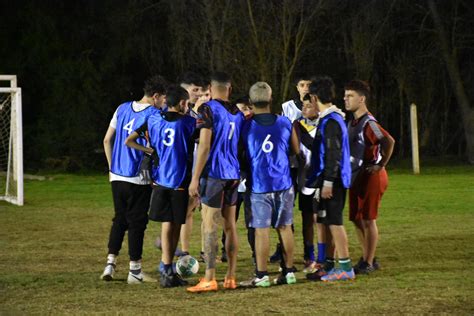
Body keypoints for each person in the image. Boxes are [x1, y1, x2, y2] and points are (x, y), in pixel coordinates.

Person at [125, 86, 196, 287]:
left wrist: (151, 151)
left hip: (159, 179)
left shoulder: (153, 119)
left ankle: (167, 267)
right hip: (180, 181)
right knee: (175, 224)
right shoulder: (189, 122)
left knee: (167, 223)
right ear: (182, 103)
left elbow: (129, 141)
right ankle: (167, 268)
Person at [100, 75, 167, 284]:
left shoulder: (122, 108)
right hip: (138, 176)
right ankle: (134, 271)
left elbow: (106, 139)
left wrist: (112, 166)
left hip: (116, 175)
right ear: (155, 97)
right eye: (163, 98)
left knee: (120, 218)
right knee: (137, 222)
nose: (164, 102)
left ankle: (110, 264)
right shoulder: (155, 114)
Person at [187, 72, 244, 292]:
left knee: (209, 224)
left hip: (214, 174)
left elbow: (204, 145)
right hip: (233, 174)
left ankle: (209, 278)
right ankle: (230, 277)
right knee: (230, 226)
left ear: (211, 88)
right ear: (229, 89)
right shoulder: (237, 113)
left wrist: (194, 178)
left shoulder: (207, 109)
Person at [240, 82, 299, 287]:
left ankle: (262, 275)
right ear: (270, 100)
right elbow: (296, 151)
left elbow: (241, 154)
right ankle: (289, 271)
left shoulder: (246, 124)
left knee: (261, 230)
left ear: (250, 102)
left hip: (259, 185)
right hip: (283, 182)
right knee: (285, 227)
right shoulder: (284, 122)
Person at [304, 76, 355, 282]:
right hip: (329, 180)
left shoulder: (331, 121)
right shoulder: (331, 119)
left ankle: (346, 267)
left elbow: (333, 154)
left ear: (315, 98)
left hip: (333, 182)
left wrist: (327, 182)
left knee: (335, 223)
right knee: (325, 221)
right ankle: (329, 264)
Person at [344, 80, 395, 274]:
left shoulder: (369, 123)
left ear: (362, 99)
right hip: (357, 176)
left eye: (350, 96)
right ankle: (369, 256)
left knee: (368, 218)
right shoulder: (352, 122)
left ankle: (368, 261)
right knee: (356, 218)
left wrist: (381, 165)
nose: (345, 99)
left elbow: (388, 140)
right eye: (345, 95)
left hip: (371, 175)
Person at [271, 74, 312, 264]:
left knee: (307, 211)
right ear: (297, 87)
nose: (305, 88)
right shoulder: (287, 107)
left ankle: (308, 249)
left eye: (309, 85)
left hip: (308, 168)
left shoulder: (318, 109)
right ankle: (282, 248)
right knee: (285, 208)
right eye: (302, 84)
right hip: (288, 166)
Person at [293, 93, 323, 273]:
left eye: (309, 106)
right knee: (307, 218)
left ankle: (323, 256)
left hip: (321, 179)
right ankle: (309, 255)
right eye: (303, 106)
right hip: (305, 179)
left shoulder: (326, 123)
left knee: (321, 219)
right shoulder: (297, 125)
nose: (304, 109)